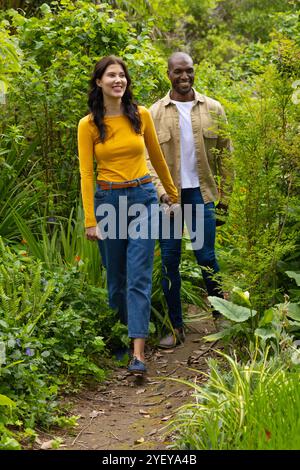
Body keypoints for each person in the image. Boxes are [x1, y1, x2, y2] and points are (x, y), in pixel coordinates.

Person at [77, 56, 178, 374]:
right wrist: (91, 219)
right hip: (109, 202)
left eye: (122, 76)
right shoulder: (89, 124)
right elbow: (86, 174)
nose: (118, 80)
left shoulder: (141, 115)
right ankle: (120, 339)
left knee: (138, 276)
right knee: (116, 280)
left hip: (144, 198)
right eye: (111, 76)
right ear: (99, 82)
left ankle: (138, 353)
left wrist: (172, 195)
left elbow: (158, 160)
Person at [146, 52, 233, 348]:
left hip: (202, 194)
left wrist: (225, 198)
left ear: (194, 72)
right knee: (170, 262)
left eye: (189, 71)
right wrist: (162, 194)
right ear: (168, 73)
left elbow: (226, 156)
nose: (184, 77)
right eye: (178, 72)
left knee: (206, 258)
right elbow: (147, 160)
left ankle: (222, 319)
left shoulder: (214, 108)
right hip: (169, 197)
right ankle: (176, 327)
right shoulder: (154, 112)